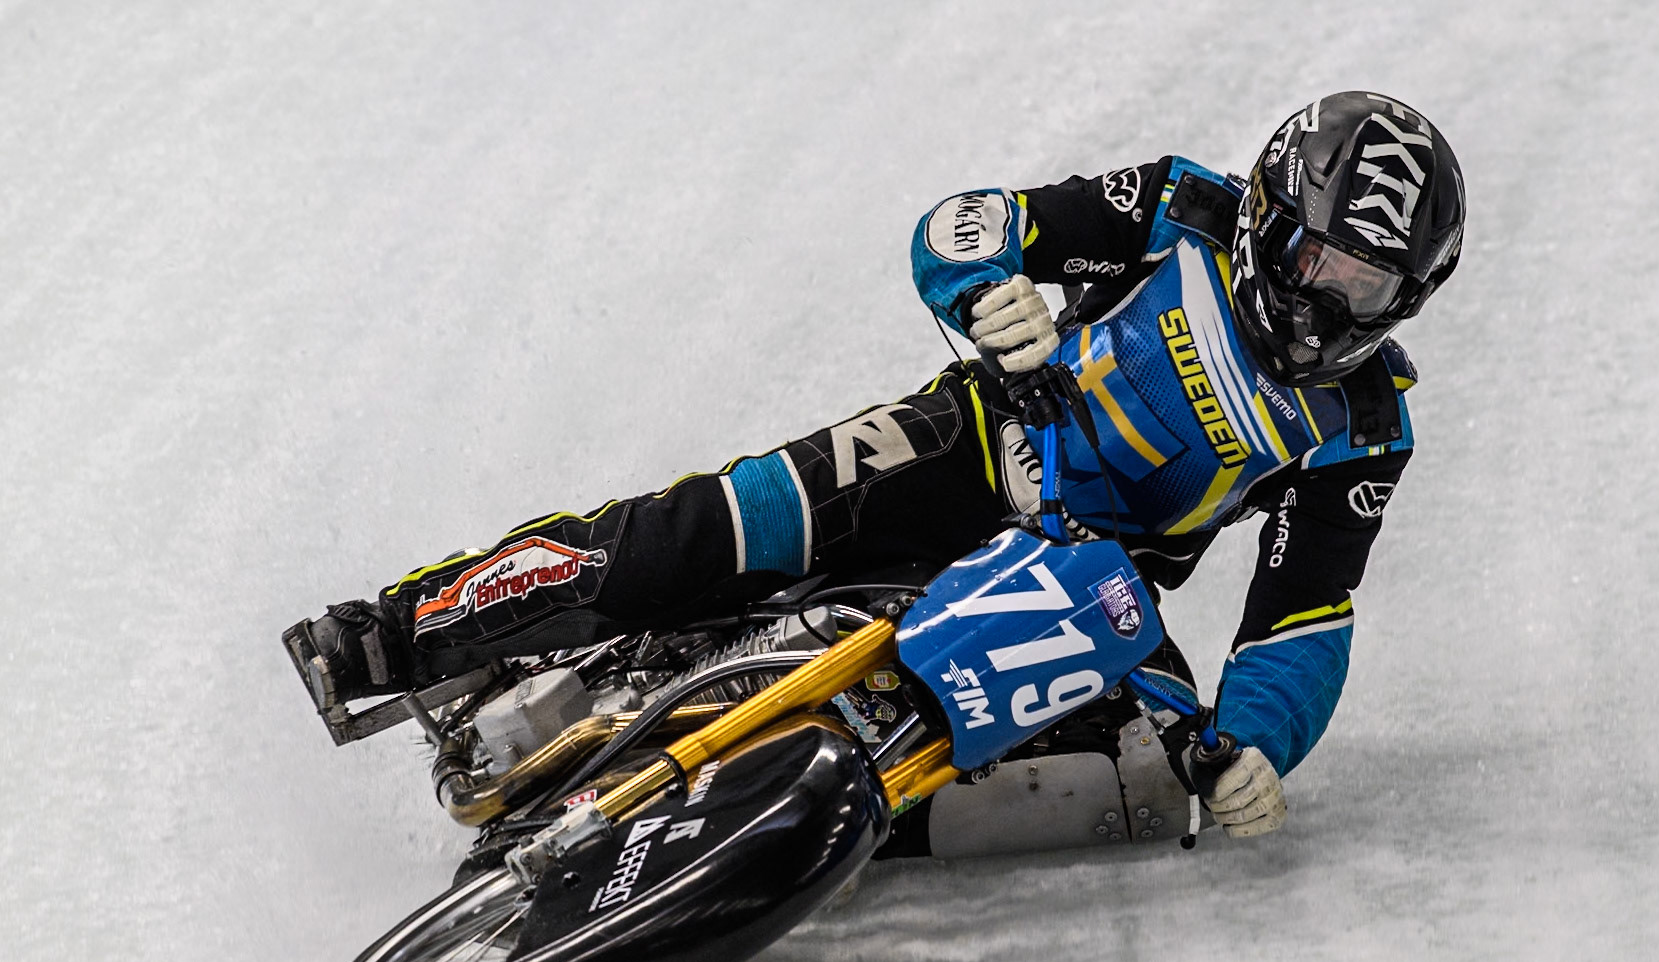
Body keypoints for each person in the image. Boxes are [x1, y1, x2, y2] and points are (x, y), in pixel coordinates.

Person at [284, 92, 1465, 858]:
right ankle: (403, 626)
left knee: (1149, 781)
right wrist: (988, 293)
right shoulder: (1177, 211)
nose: (1326, 304)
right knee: (719, 528)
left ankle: (759, 827)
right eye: (1320, 258)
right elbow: (967, 221)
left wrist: (1259, 741)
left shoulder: (1364, 421)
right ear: (1269, 211)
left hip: (1089, 579)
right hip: (963, 447)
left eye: (1366, 288)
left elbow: (1303, 609)